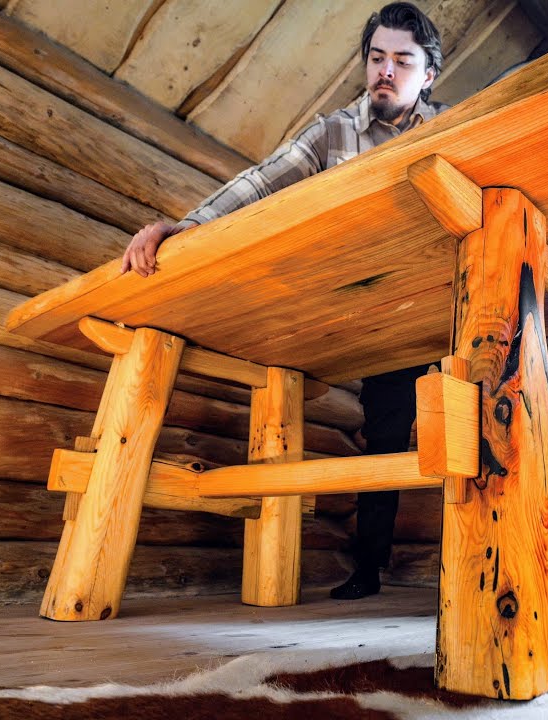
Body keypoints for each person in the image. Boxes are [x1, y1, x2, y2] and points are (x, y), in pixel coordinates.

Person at [118, 3, 446, 600]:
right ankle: (368, 569)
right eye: (377, 58)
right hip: (383, 317)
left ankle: (480, 569)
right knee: (386, 431)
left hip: (451, 302)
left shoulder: (453, 125)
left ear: (427, 75)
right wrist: (184, 227)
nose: (385, 70)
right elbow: (260, 182)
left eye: (402, 61)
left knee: (485, 421)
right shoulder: (333, 133)